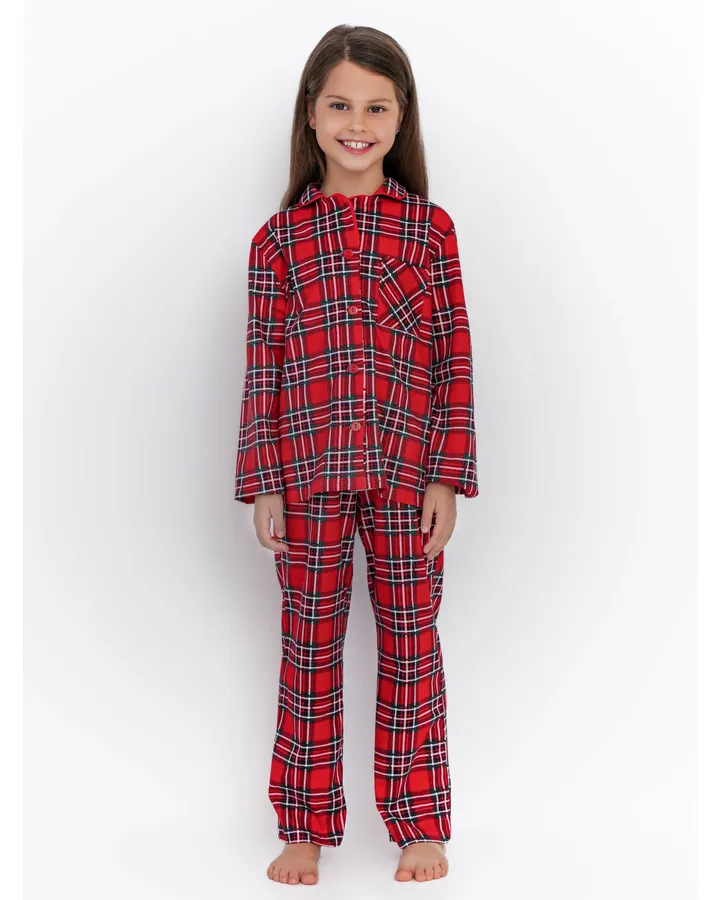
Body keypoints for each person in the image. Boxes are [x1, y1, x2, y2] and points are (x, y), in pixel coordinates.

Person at [234, 23, 479, 886]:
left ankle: (418, 822)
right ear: (311, 114)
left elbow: (454, 359)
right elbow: (263, 365)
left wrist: (448, 475)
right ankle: (304, 824)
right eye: (340, 105)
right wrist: (263, 484)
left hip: (408, 478)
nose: (357, 124)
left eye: (377, 107)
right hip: (305, 478)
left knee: (413, 648)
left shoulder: (431, 232)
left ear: (401, 117)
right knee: (308, 652)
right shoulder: (277, 242)